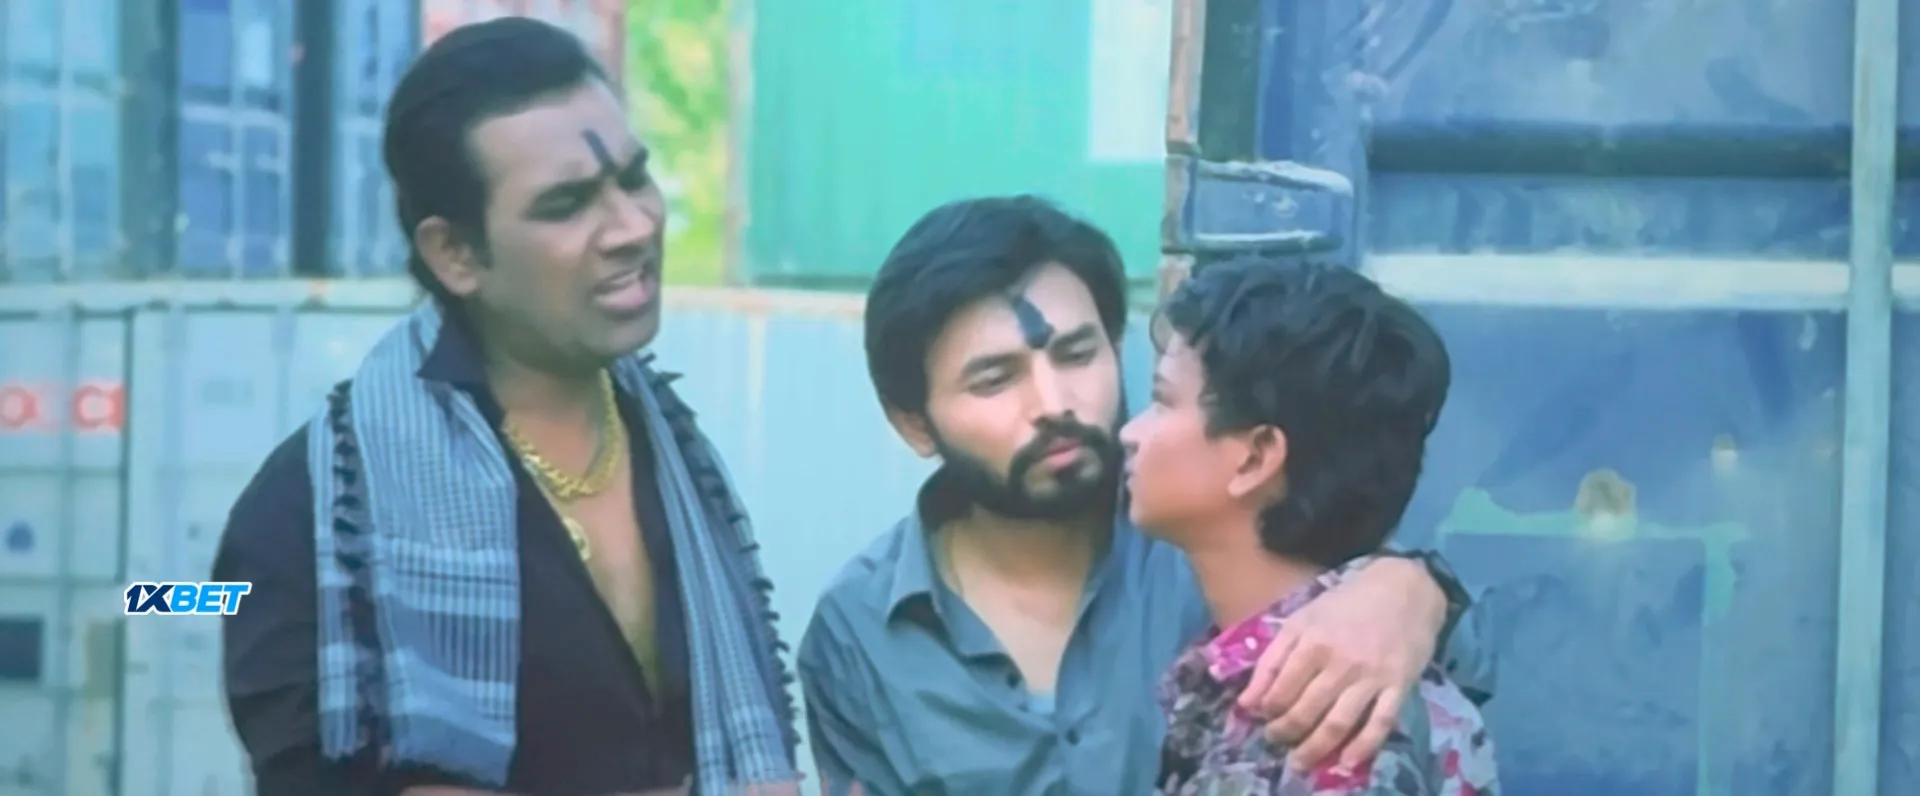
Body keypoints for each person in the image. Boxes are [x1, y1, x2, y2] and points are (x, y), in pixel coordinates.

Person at [212, 19, 798, 795]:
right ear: (456, 254)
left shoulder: (679, 456)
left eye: (634, 179)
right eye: (567, 204)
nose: (634, 227)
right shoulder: (315, 515)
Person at [797, 196, 1493, 795]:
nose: (1054, 403)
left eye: (1077, 354)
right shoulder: (858, 634)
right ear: (914, 423)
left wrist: (1410, 592)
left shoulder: (1218, 533)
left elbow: (1454, 670)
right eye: (994, 380)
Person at [1124, 257, 1497, 794]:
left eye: (1162, 402)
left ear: (1256, 457)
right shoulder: (1268, 674)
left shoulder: (1325, 726)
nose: (1131, 433)